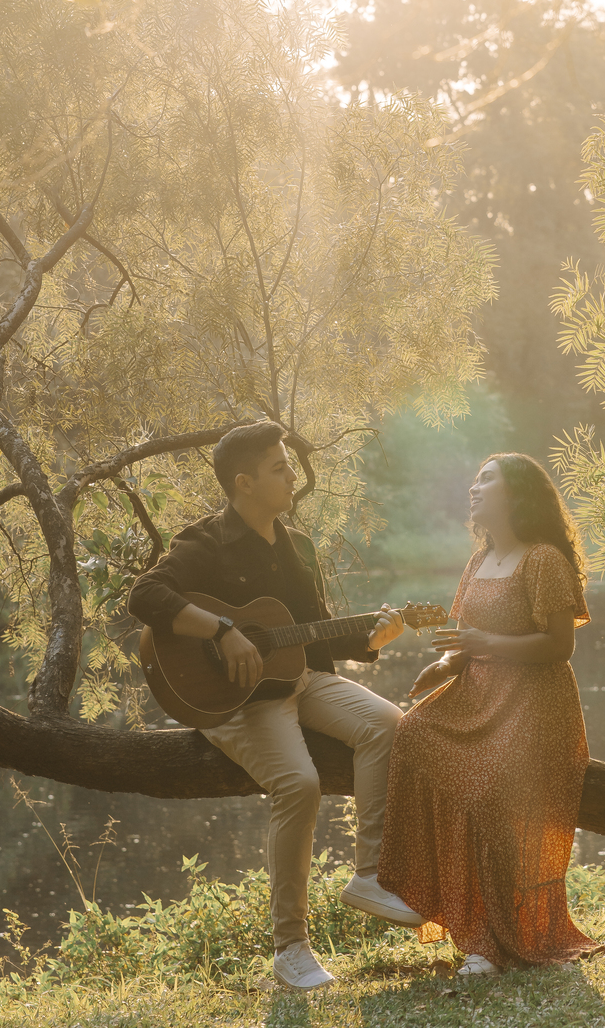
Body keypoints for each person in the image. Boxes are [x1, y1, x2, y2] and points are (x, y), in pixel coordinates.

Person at [127, 420, 423, 991]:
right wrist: (222, 630)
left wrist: (373, 639)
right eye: (280, 467)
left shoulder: (297, 546)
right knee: (299, 784)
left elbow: (312, 631)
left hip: (298, 679)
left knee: (390, 723)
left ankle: (369, 875)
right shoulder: (204, 542)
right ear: (244, 482)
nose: (293, 476)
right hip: (235, 700)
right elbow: (145, 595)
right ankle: (290, 949)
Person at [377, 452, 605, 975]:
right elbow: (466, 642)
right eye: (475, 480)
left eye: (487, 479)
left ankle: (493, 939)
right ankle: (428, 898)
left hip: (534, 699)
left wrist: (487, 644)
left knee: (485, 791)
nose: (474, 488)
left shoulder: (543, 559)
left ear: (517, 494)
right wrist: (444, 665)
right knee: (411, 733)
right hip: (477, 693)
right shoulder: (478, 561)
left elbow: (559, 646)